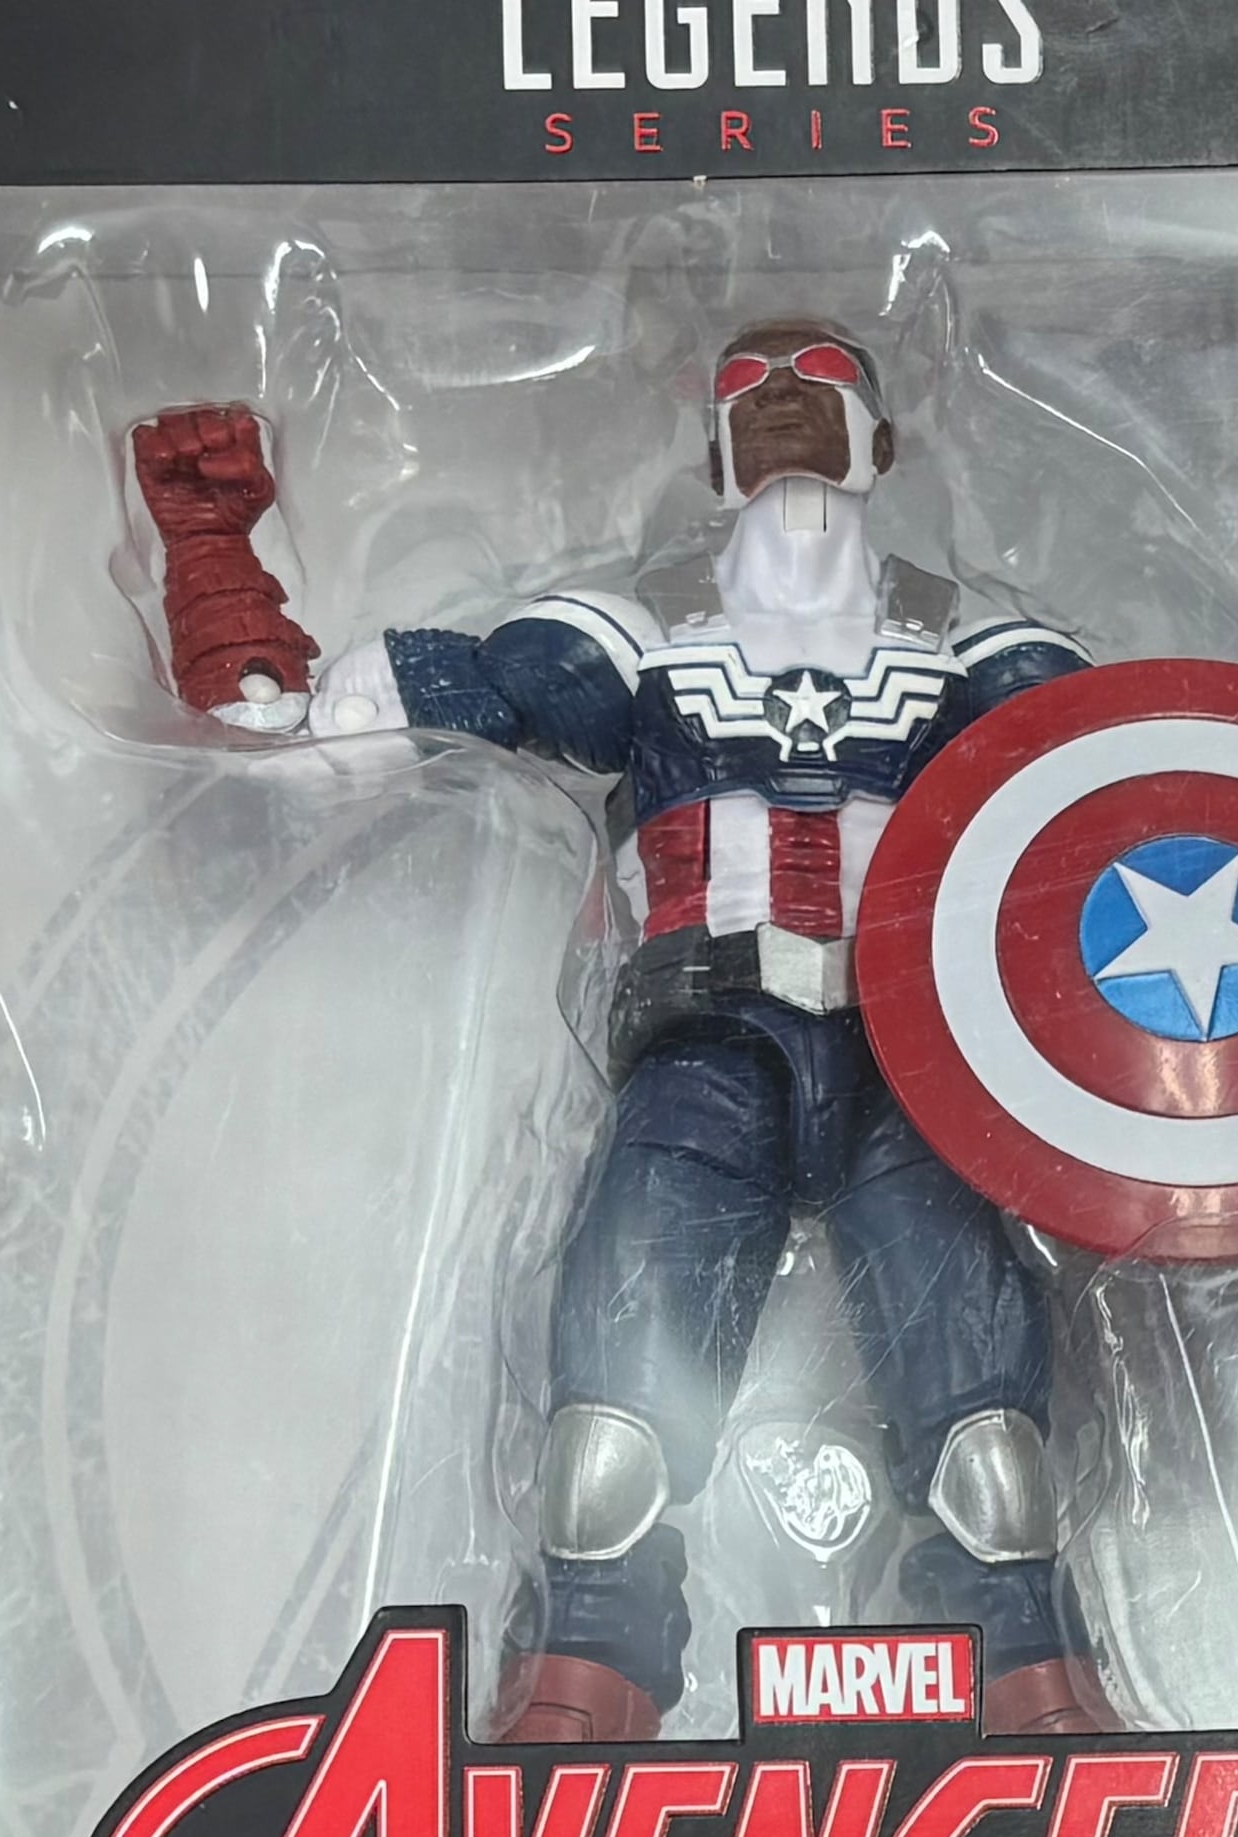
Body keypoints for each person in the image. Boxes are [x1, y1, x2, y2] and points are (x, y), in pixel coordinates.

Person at [132, 322, 1113, 1742]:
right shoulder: (632, 639)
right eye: (748, 388)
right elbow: (304, 735)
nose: (782, 400)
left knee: (989, 1437)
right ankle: (585, 1682)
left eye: (819, 381)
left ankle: (1033, 1680)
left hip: (915, 1058)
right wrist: (217, 560)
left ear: (881, 442)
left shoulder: (981, 648)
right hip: (709, 1038)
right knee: (610, 1421)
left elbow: (1162, 791)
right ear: (713, 455)